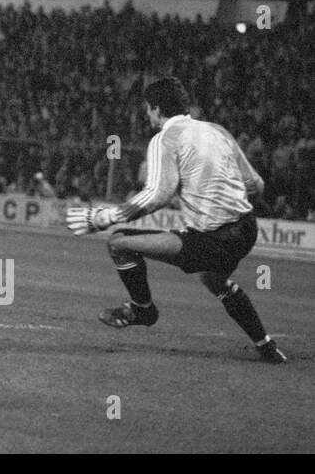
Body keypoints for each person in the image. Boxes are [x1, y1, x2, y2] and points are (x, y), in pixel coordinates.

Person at [66, 76, 286, 364]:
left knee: (119, 243)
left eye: (147, 108)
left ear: (157, 109)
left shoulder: (165, 139)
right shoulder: (216, 130)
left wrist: (103, 217)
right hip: (247, 229)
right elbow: (256, 184)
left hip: (212, 239)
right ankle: (266, 346)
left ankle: (143, 310)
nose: (146, 114)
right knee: (214, 279)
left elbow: (157, 194)